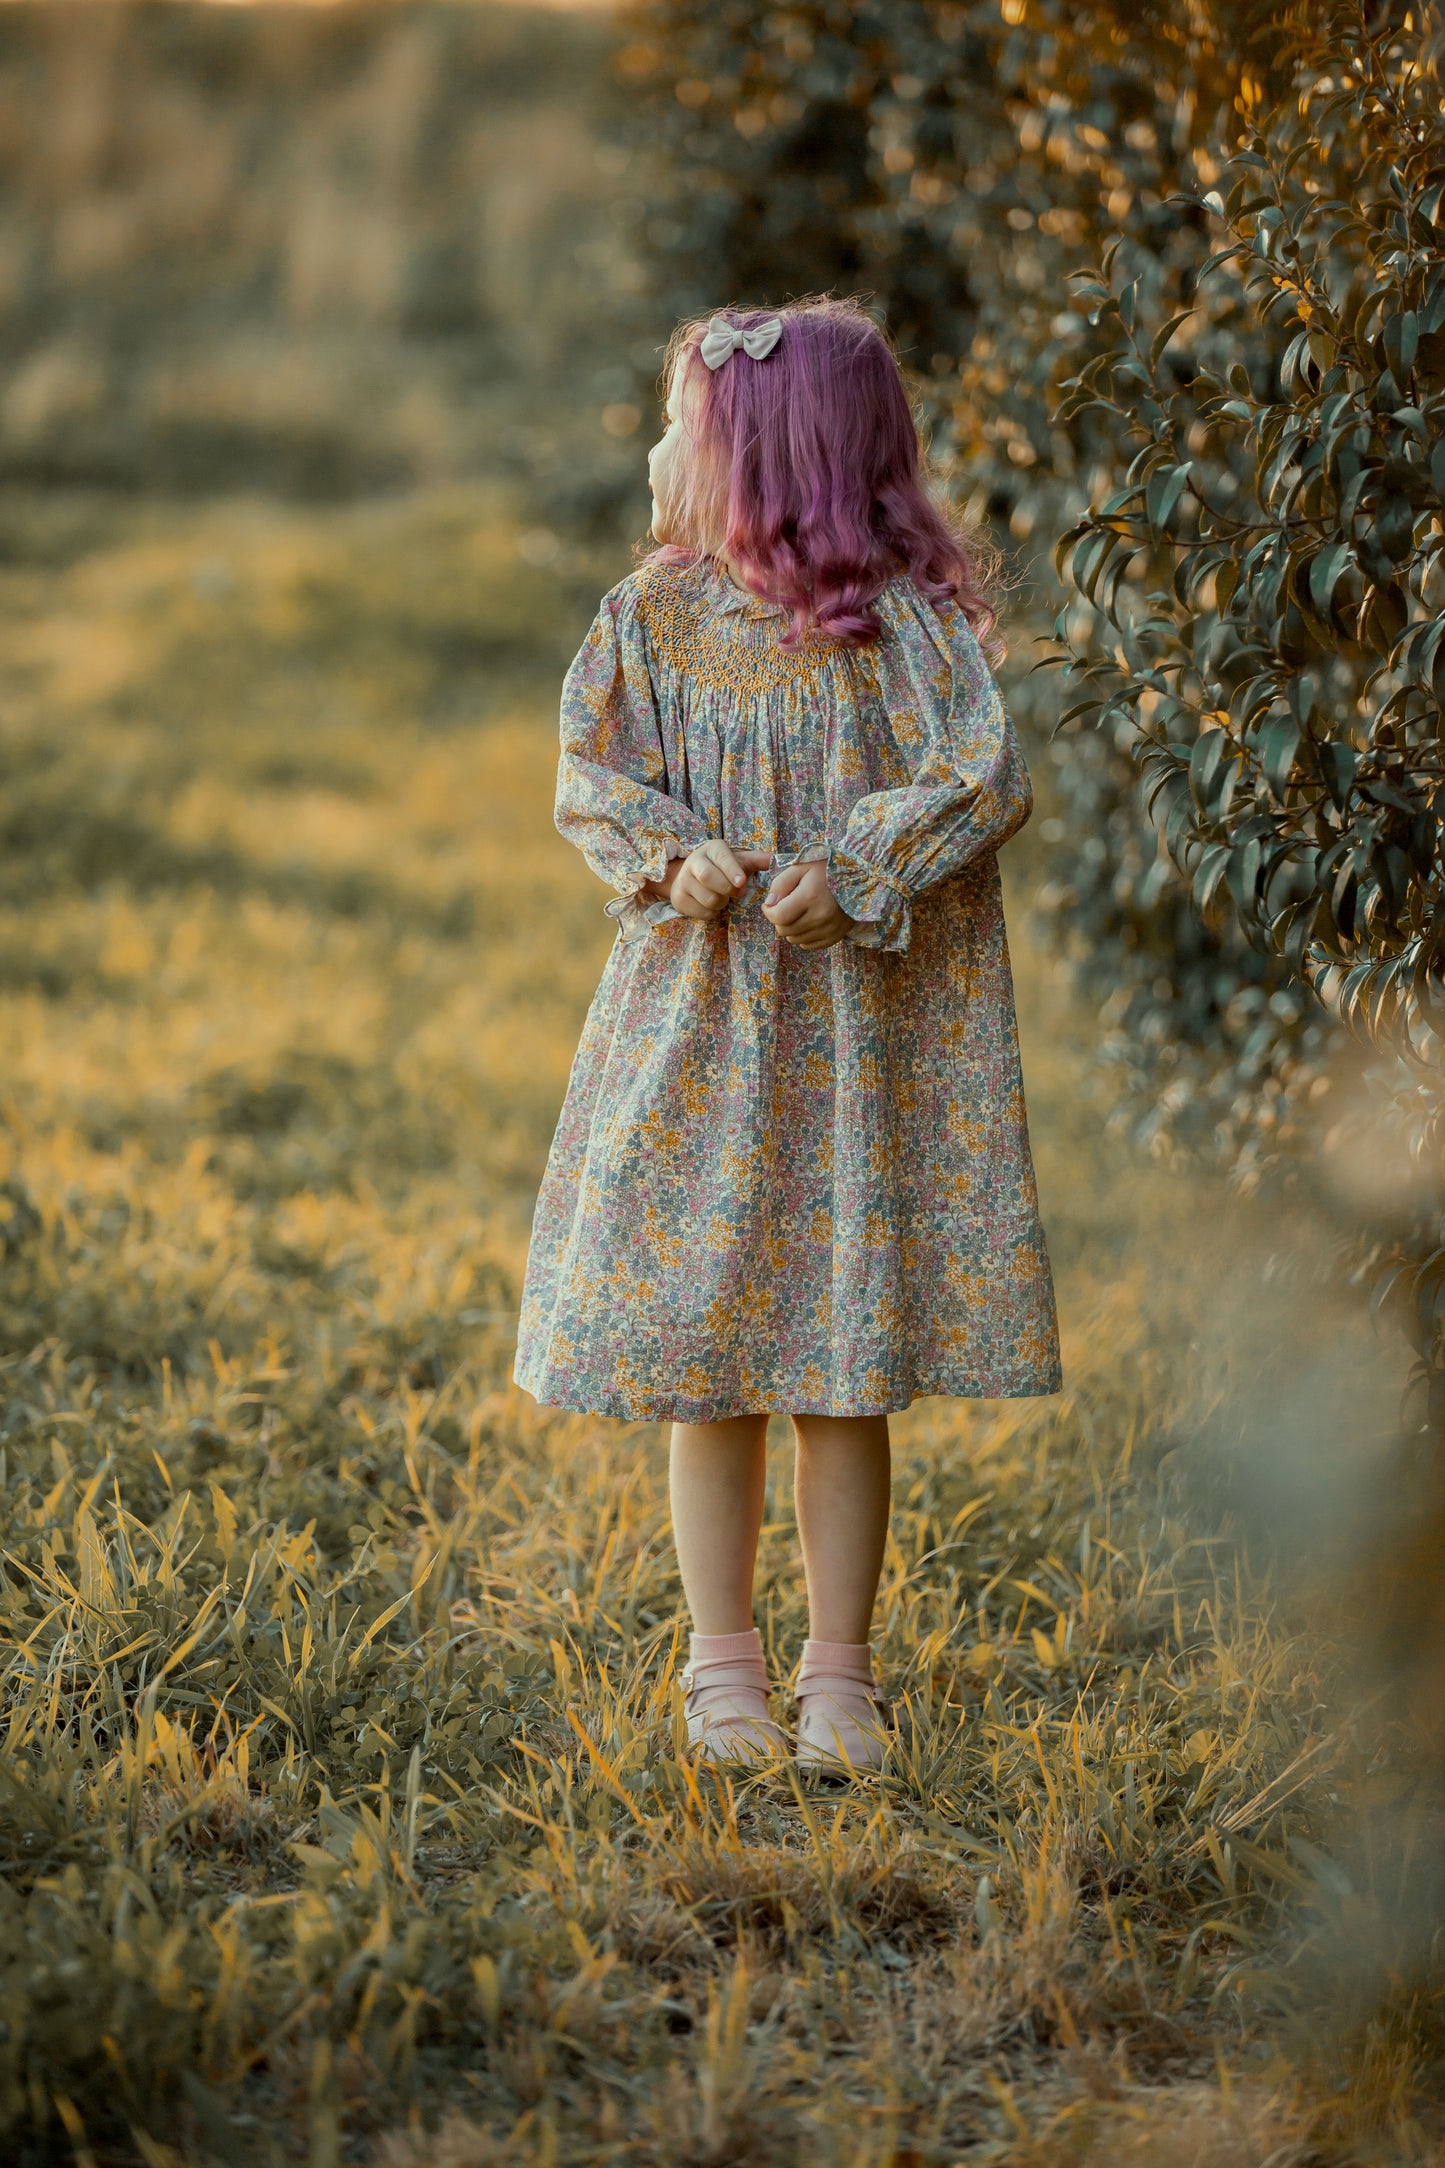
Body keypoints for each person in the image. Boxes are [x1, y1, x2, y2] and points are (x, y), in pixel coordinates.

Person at [514, 297, 1061, 1772]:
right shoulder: (649, 618)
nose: (654, 450)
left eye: (679, 426)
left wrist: (863, 863)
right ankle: (723, 1667)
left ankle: (837, 1673)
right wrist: (668, 849)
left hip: (855, 1048)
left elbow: (979, 774)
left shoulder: (911, 632)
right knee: (709, 1354)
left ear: (767, 458)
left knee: (834, 1362)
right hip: (702, 1035)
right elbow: (589, 769)